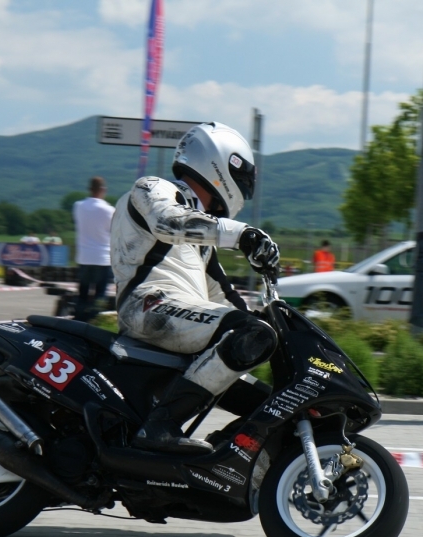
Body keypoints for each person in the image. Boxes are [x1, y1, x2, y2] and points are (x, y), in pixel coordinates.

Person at [111, 122, 279, 454]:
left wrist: (276, 325)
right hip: (147, 306)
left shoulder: (200, 240)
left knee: (267, 399)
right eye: (243, 181)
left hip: (178, 318)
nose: (243, 192)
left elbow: (225, 298)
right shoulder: (152, 188)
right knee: (250, 332)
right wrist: (242, 234)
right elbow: (169, 221)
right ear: (222, 165)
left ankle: (222, 457)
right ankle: (160, 427)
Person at [73, 177, 115, 321]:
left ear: (90, 189)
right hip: (102, 258)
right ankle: (93, 322)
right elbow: (114, 231)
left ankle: (78, 321)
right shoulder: (109, 210)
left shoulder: (78, 206)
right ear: (103, 190)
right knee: (100, 296)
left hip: (84, 257)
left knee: (82, 294)